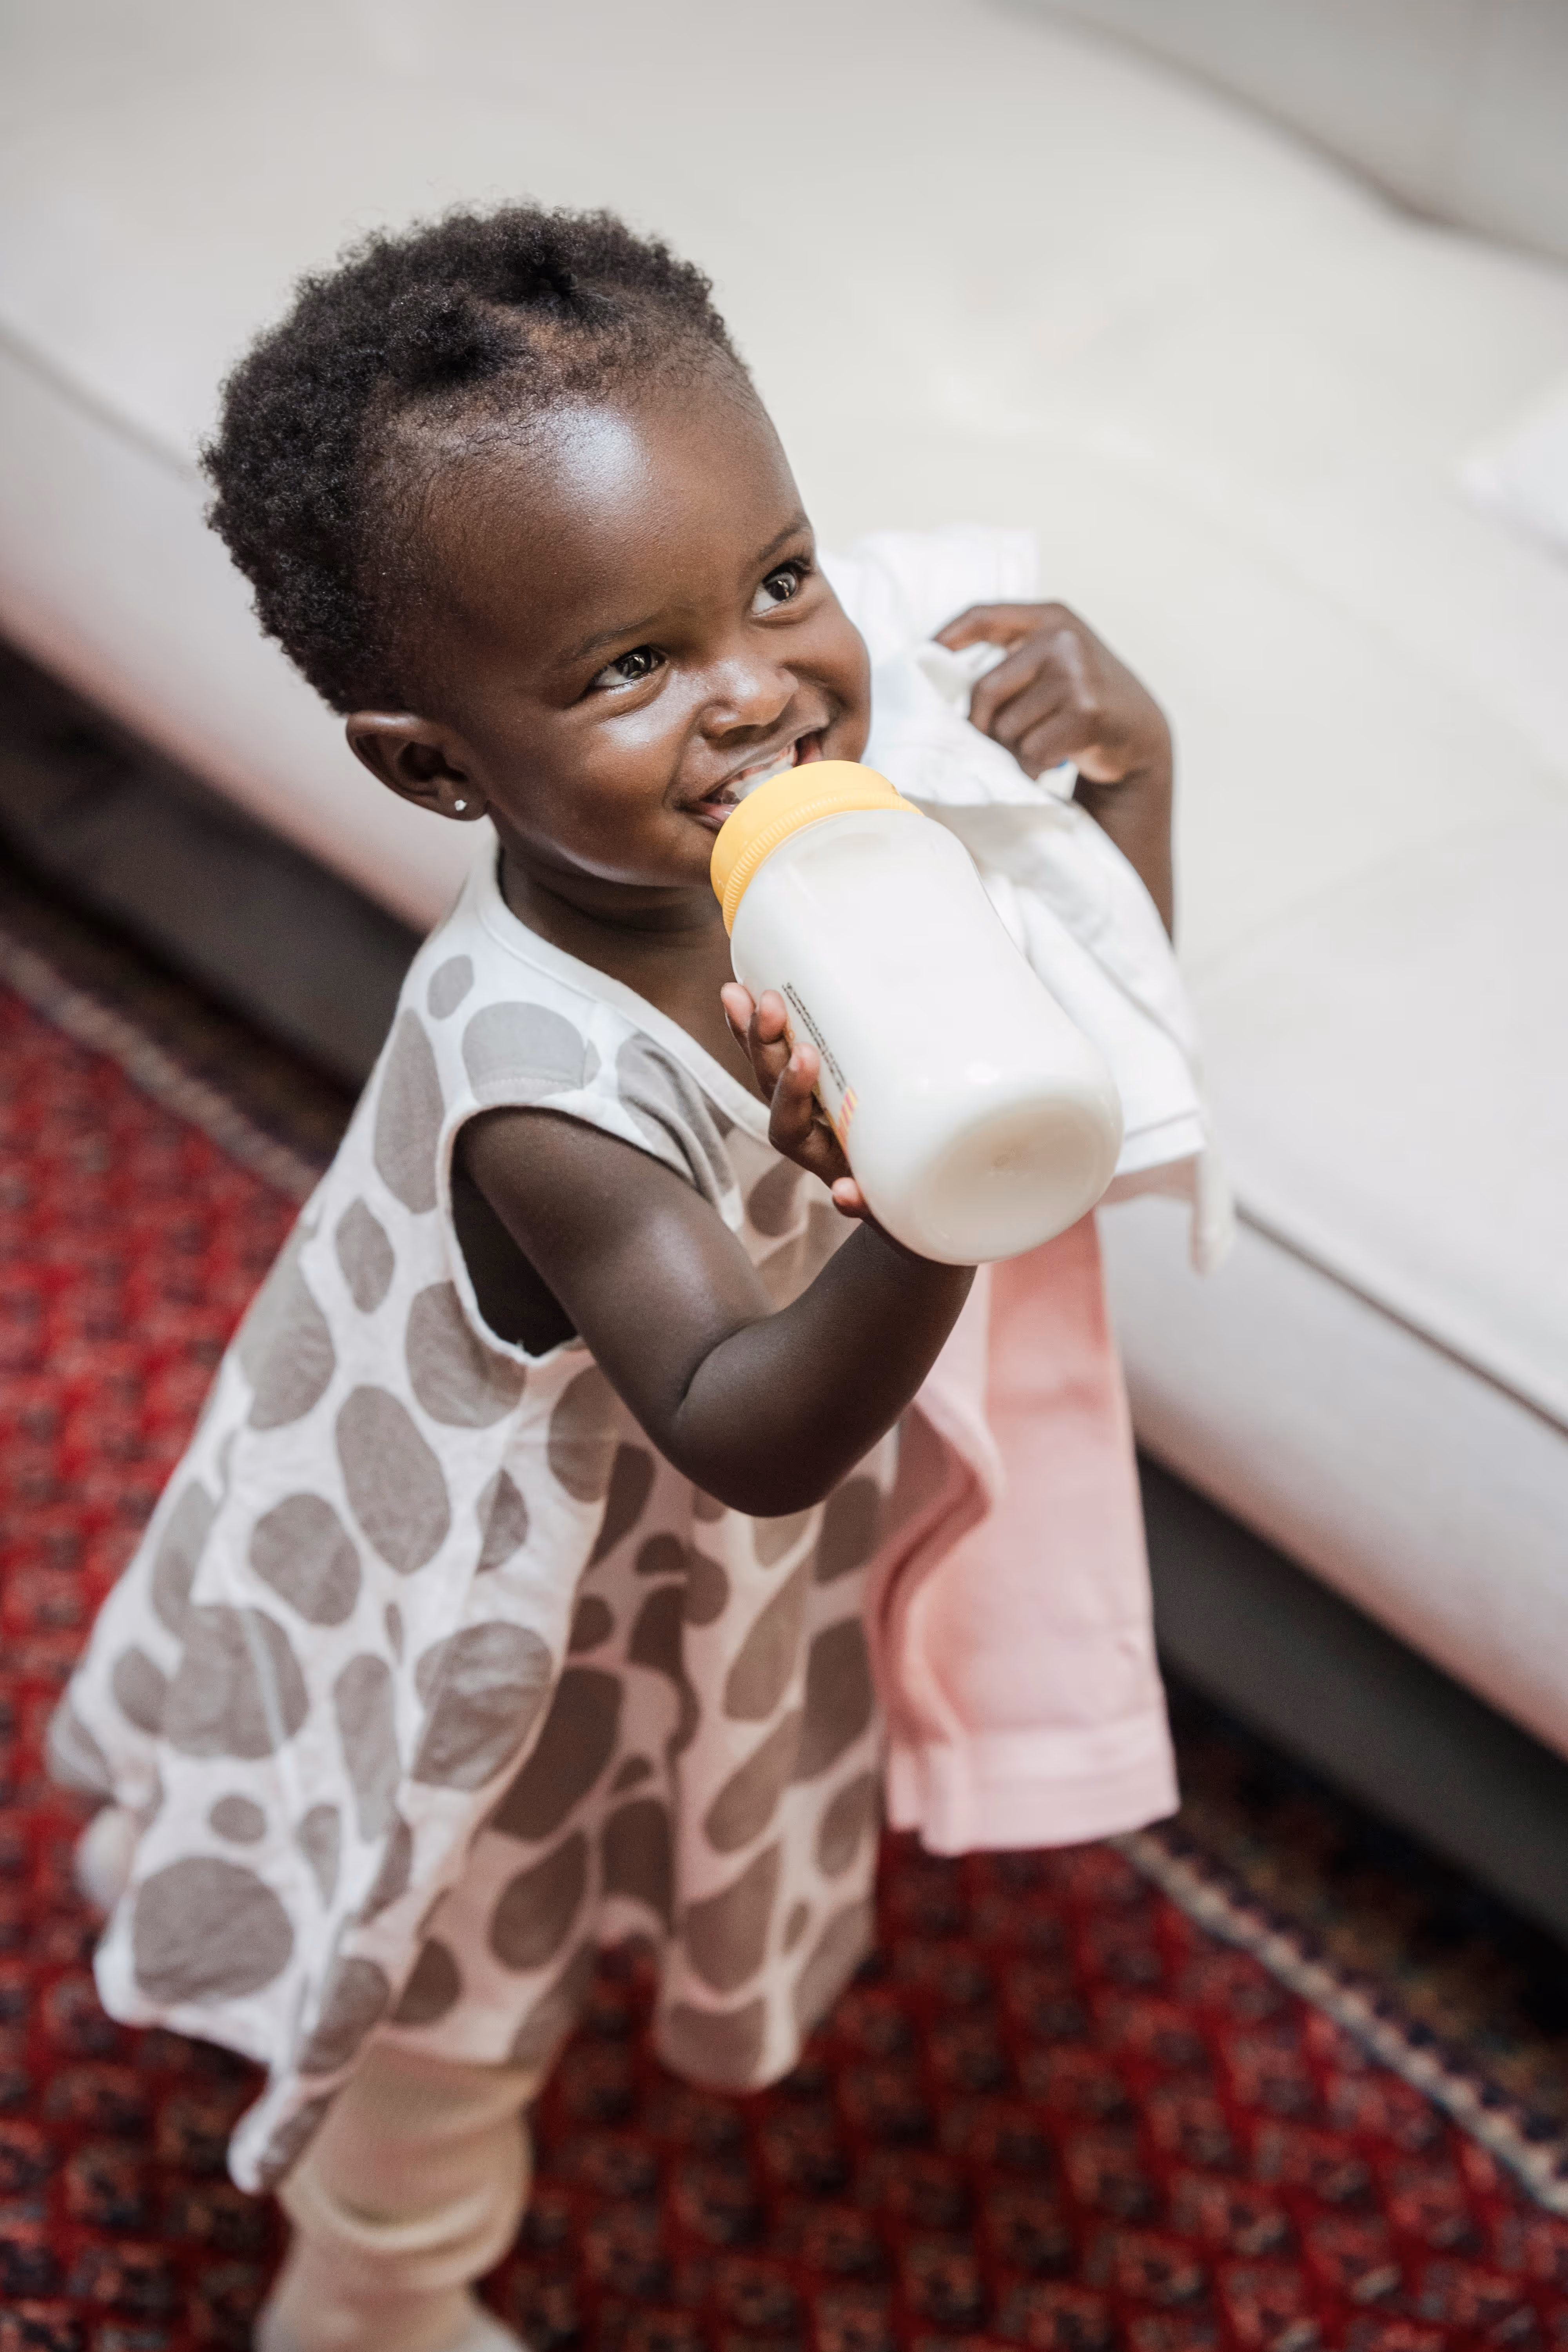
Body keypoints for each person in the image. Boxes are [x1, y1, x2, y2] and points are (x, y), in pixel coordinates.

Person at [47, 206, 1206, 2352]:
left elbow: (1080, 1024)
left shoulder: (849, 803)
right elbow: (754, 1426)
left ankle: (231, 1892)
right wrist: (915, 1196)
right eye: (626, 669)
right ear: (431, 765)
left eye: (774, 579)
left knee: (602, 1831)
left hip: (668, 1590)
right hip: (500, 1609)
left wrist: (1125, 790)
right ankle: (371, 2288)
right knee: (447, 1973)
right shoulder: (539, 1081)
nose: (760, 689)